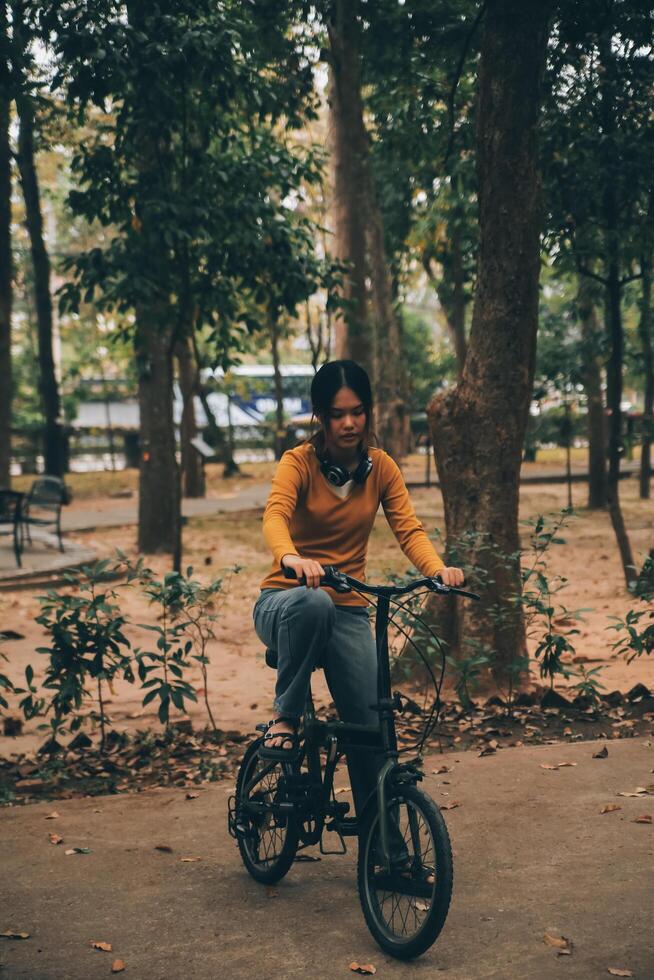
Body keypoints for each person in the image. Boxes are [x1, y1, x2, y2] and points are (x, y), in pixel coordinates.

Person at [252, 359, 464, 825]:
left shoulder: (381, 468)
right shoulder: (298, 463)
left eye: (358, 412)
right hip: (286, 602)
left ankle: (383, 849)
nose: (349, 423)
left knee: (372, 729)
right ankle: (285, 716)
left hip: (347, 612)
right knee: (314, 599)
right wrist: (292, 559)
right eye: (337, 413)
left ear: (369, 413)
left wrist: (437, 569)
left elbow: (408, 530)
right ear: (320, 417)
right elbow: (275, 516)